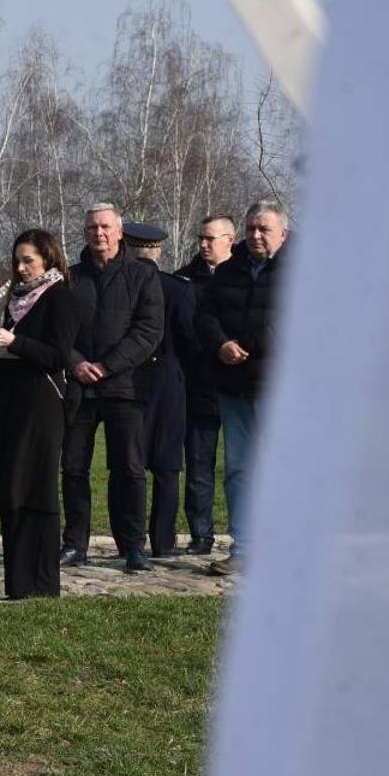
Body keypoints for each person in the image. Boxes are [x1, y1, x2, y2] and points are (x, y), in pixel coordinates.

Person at [0, 229, 78, 599]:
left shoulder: (60, 297)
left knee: (37, 491)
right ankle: (17, 583)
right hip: (11, 402)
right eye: (17, 260)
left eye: (28, 260)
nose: (21, 267)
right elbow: (11, 357)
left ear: (48, 259)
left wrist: (16, 341)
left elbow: (57, 355)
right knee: (11, 489)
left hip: (42, 406)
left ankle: (43, 584)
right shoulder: (16, 299)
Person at [59, 202, 164, 572]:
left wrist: (107, 365)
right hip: (80, 388)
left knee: (129, 469)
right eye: (91, 228)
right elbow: (58, 332)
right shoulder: (69, 278)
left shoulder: (142, 276)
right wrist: (75, 363)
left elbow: (148, 332)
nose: (98, 233)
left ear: (120, 232)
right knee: (73, 467)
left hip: (125, 387)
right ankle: (74, 544)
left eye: (104, 227)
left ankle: (133, 546)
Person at [196, 199, 288, 577]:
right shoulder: (228, 270)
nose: (255, 235)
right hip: (234, 388)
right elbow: (204, 315)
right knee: (239, 470)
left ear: (282, 233)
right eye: (250, 228)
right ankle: (244, 548)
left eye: (263, 229)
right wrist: (221, 343)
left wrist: (251, 344)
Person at [123, 221, 197, 556]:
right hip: (169, 380)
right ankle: (163, 543)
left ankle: (128, 541)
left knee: (128, 464)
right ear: (158, 250)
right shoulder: (178, 288)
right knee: (167, 468)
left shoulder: (120, 283)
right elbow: (189, 339)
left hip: (126, 379)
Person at [177, 215, 236, 555]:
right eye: (200, 237)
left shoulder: (246, 278)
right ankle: (201, 534)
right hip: (199, 384)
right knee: (199, 465)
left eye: (210, 238)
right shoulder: (186, 280)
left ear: (229, 240)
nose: (202, 244)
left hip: (241, 384)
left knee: (243, 466)